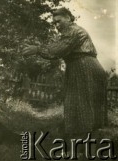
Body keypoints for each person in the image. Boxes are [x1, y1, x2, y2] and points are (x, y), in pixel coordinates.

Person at [22, 8, 107, 139]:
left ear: (68, 18)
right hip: (82, 66)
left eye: (59, 21)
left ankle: (81, 146)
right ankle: (86, 144)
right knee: (82, 105)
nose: (56, 25)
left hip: (84, 67)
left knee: (80, 105)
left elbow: (56, 51)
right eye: (54, 23)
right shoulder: (73, 31)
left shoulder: (73, 30)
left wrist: (37, 49)